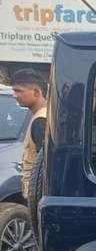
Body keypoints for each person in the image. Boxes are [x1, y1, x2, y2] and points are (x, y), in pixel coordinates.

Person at [12, 69, 48, 198]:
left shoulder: (40, 120)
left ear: (37, 92)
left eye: (18, 91)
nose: (14, 95)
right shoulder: (40, 115)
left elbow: (44, 165)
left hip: (38, 194)